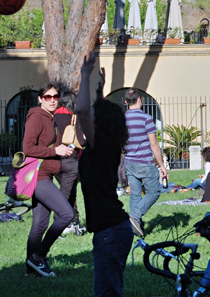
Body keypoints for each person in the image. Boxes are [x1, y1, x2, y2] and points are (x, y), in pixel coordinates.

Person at [75, 51, 133, 297]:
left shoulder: (100, 146)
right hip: (111, 230)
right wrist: (99, 92)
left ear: (100, 123)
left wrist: (84, 75)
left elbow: (81, 110)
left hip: (110, 231)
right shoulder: (100, 145)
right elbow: (83, 120)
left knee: (106, 294)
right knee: (108, 291)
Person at [23, 82, 74, 277]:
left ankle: (31, 270)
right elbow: (28, 148)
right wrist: (56, 150)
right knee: (66, 214)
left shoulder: (49, 118)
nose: (52, 100)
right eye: (48, 97)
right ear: (40, 99)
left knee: (40, 224)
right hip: (38, 176)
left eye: (55, 97)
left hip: (45, 174)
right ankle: (38, 257)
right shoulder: (37, 117)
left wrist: (62, 152)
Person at [124, 88, 168, 238]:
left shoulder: (122, 119)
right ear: (139, 100)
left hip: (129, 162)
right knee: (154, 192)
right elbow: (154, 143)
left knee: (135, 195)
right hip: (145, 162)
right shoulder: (146, 118)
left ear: (126, 102)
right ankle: (134, 216)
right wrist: (161, 165)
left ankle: (135, 228)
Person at [54, 91, 87, 237]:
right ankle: (57, 226)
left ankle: (75, 222)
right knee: (65, 194)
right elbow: (82, 140)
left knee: (70, 191)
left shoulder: (53, 116)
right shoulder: (75, 117)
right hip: (70, 160)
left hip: (54, 160)